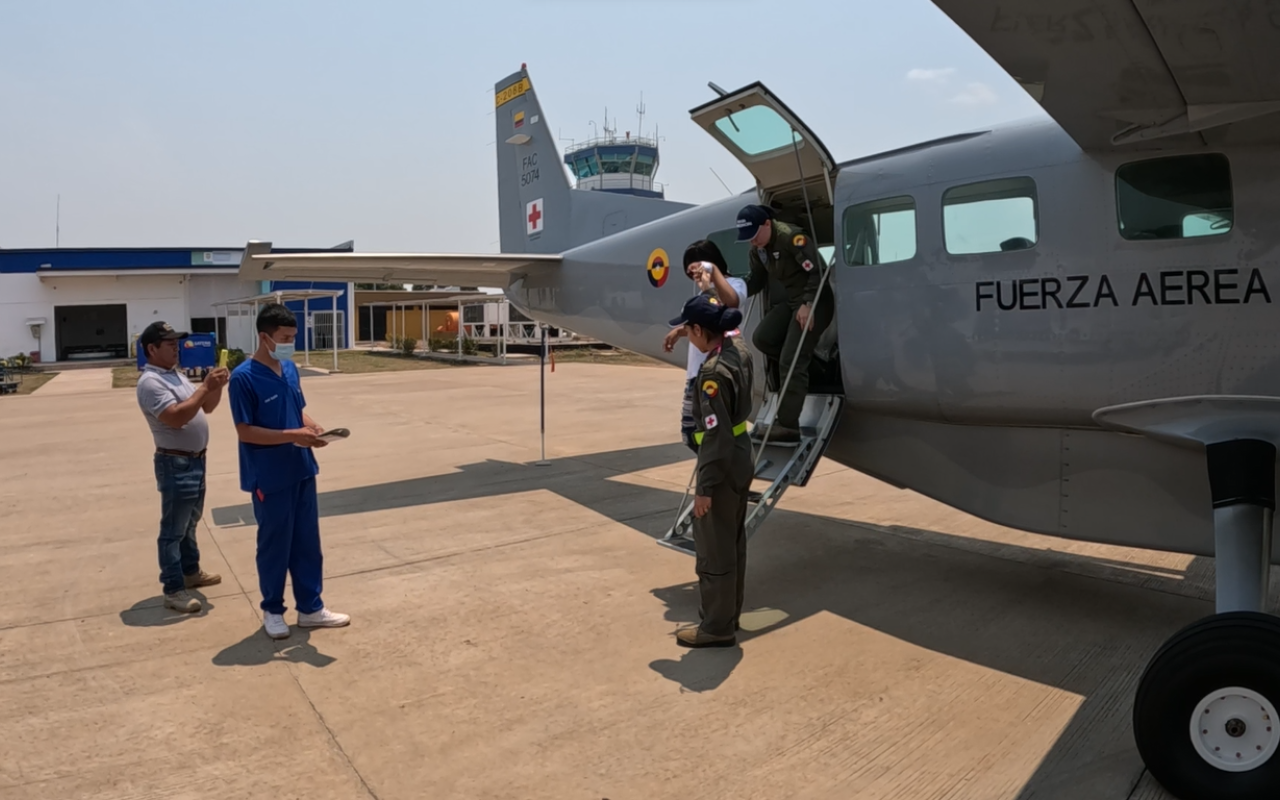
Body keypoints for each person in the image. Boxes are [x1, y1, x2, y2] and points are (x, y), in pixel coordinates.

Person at [228, 303, 349, 640]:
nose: (289, 343)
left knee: (308, 542)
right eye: (284, 338)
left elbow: (299, 411)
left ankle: (311, 608)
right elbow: (245, 431)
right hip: (270, 475)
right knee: (275, 544)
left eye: (293, 337)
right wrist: (292, 436)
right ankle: (273, 610)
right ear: (264, 337)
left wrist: (314, 430)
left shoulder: (291, 369)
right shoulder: (243, 379)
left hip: (301, 469)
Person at [667, 294, 756, 648]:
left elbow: (715, 435)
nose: (689, 336)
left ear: (702, 330)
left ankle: (717, 627)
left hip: (720, 462)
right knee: (733, 541)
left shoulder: (712, 373)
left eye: (689, 331)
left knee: (714, 547)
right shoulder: (739, 350)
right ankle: (728, 613)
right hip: (740, 454)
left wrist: (704, 489)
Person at [135, 321, 229, 613]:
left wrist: (216, 387)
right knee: (173, 530)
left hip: (194, 460)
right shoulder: (151, 382)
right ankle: (173, 589)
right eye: (169, 343)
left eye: (177, 342)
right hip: (175, 462)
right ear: (151, 349)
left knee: (189, 523)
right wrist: (204, 388)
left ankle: (190, 572)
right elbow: (175, 418)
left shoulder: (174, 375)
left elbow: (206, 408)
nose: (176, 347)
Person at [737, 203, 835, 443]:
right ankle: (814, 371)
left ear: (768, 224)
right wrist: (731, 289)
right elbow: (757, 281)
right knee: (763, 338)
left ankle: (788, 425)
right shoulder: (758, 250)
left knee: (790, 360)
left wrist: (808, 304)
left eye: (754, 235)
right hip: (793, 302)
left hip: (816, 302)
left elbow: (817, 272)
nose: (752, 241)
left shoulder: (792, 238)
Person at [663, 239, 749, 453]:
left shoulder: (735, 284)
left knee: (713, 429)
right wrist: (679, 331)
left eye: (697, 267)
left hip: (716, 370)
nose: (694, 275)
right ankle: (710, 463)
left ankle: (715, 467)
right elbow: (701, 326)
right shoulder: (703, 293)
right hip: (696, 373)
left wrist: (713, 275)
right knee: (691, 431)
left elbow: (731, 304)